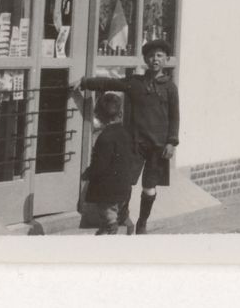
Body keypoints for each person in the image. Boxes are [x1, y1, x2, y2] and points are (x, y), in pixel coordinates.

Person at [77, 39, 180, 234]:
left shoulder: (170, 88)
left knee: (149, 188)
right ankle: (122, 218)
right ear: (145, 60)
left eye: (159, 55)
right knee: (124, 183)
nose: (154, 59)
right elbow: (109, 82)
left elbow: (175, 117)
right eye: (150, 56)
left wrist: (172, 142)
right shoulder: (135, 83)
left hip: (158, 148)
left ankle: (142, 222)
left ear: (166, 59)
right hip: (135, 145)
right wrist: (84, 82)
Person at [80, 93, 137, 235]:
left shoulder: (104, 138)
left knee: (107, 212)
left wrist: (88, 172)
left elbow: (100, 165)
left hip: (108, 189)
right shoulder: (126, 133)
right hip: (124, 186)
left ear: (99, 117)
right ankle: (122, 225)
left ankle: (110, 228)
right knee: (120, 211)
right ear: (121, 113)